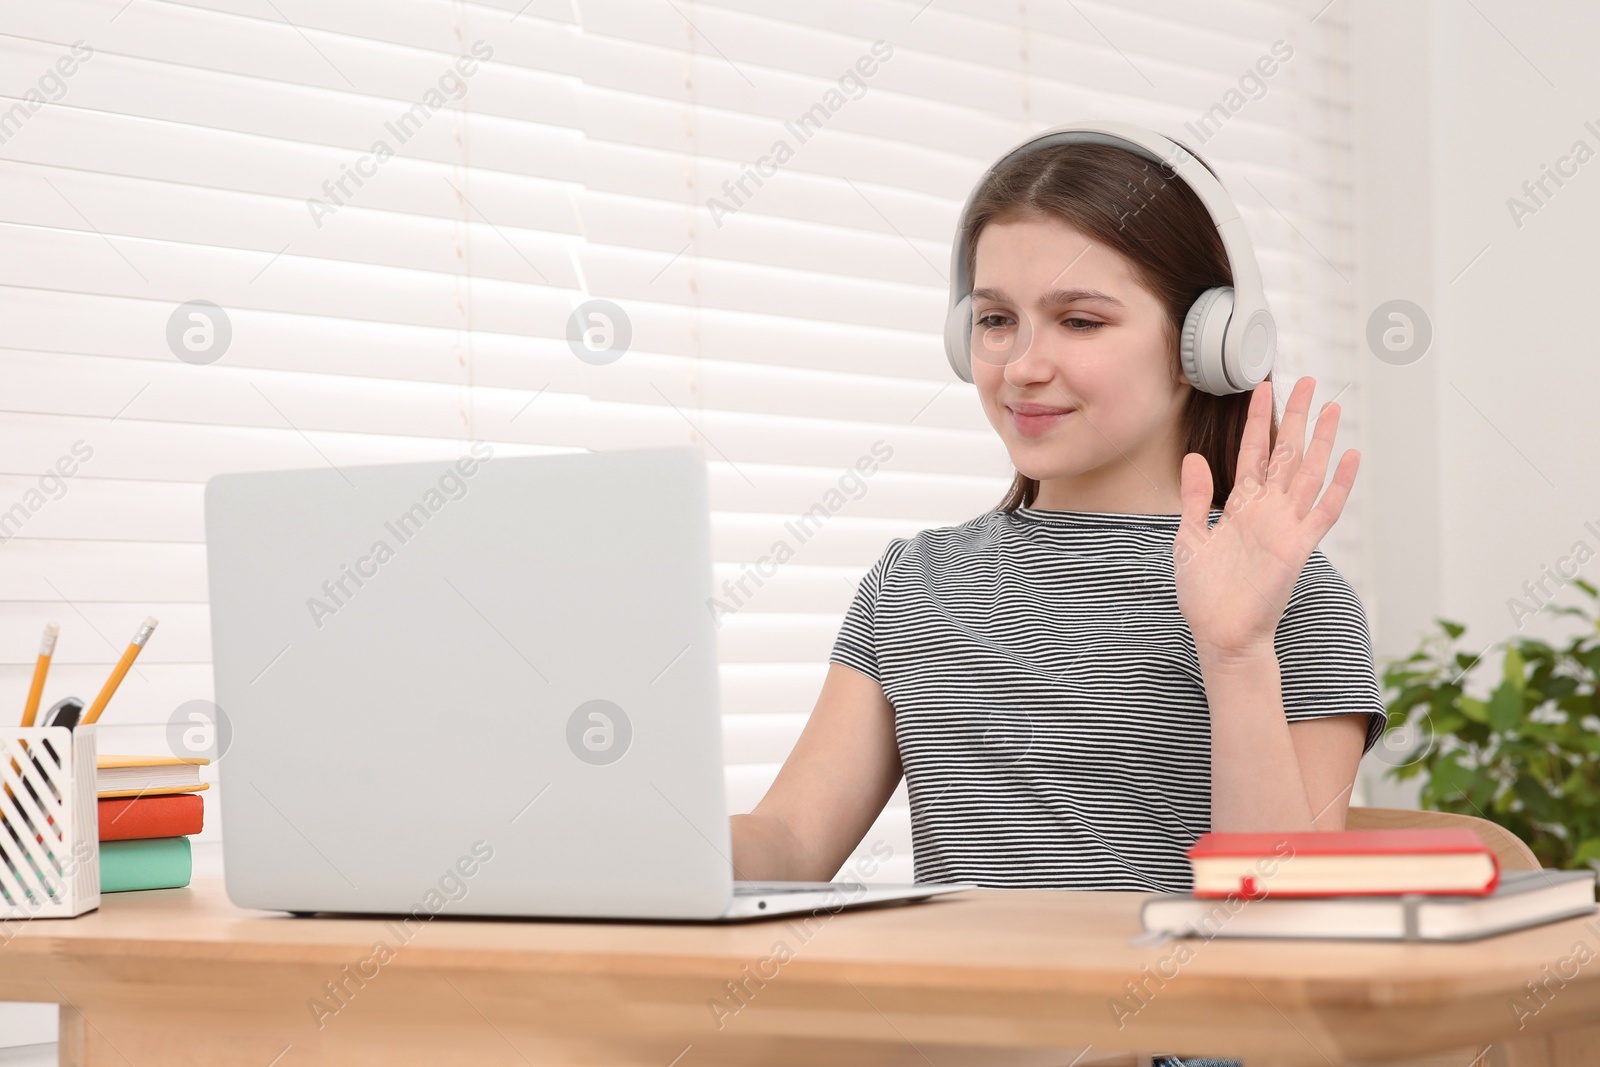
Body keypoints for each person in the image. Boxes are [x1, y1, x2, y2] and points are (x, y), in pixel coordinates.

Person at [730, 131, 1387, 1066]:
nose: (1023, 365)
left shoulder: (1294, 602)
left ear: (1208, 343)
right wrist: (644, 849)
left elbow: (1283, 925)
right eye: (997, 321)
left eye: (1080, 321)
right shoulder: (914, 582)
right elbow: (793, 840)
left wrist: (1237, 651)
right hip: (967, 1039)